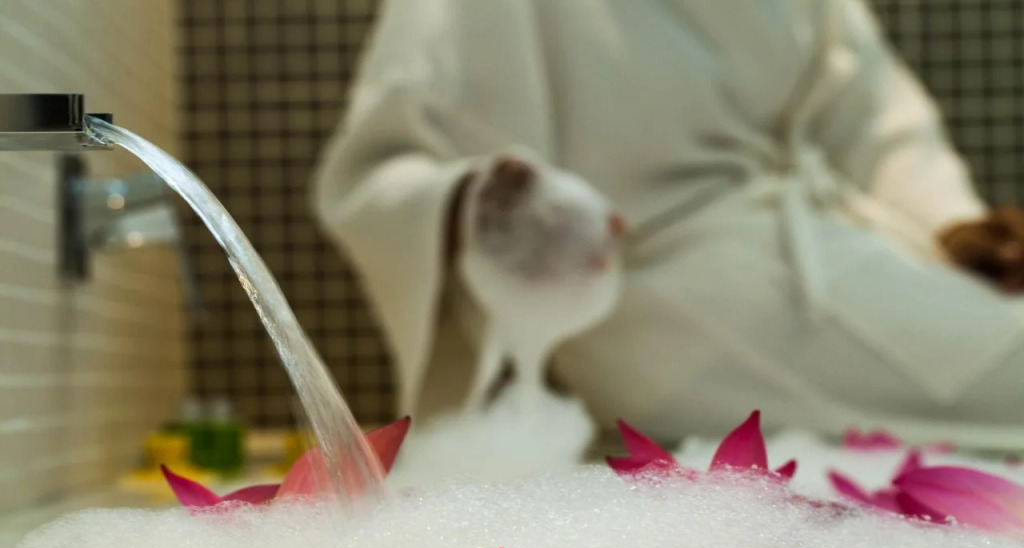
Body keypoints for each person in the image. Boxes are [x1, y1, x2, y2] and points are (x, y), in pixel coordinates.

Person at [311, 0, 1024, 451]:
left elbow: (871, 115)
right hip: (654, 294)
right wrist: (484, 204)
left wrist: (954, 225)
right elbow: (378, 174)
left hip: (826, 243)